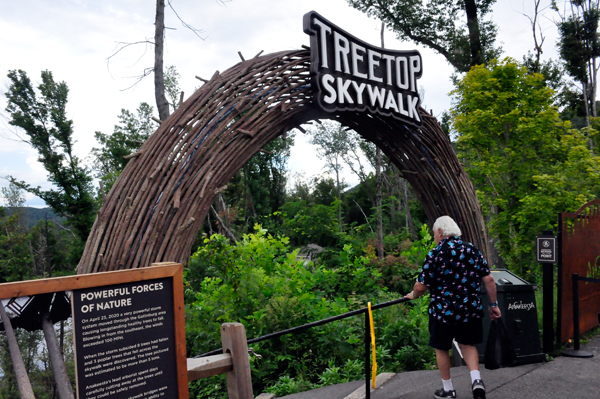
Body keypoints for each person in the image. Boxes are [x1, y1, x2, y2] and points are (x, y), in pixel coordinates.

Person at [404, 216, 501, 399]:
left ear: (440, 232)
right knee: (468, 344)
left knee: (442, 348)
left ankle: (448, 390)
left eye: (434, 234)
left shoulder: (435, 253)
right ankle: (476, 381)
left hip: (443, 312)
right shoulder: (471, 249)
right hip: (469, 309)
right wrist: (494, 304)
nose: (434, 237)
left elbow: (421, 286)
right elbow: (488, 279)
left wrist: (413, 294)